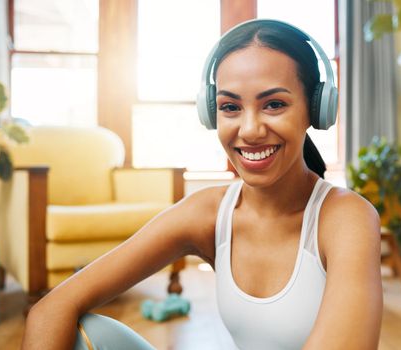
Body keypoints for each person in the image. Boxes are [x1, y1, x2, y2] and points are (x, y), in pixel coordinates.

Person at [22, 19, 382, 350]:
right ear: (212, 113)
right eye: (230, 107)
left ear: (316, 109)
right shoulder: (209, 213)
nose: (250, 130)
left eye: (274, 104)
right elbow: (50, 310)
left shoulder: (346, 218)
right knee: (87, 334)